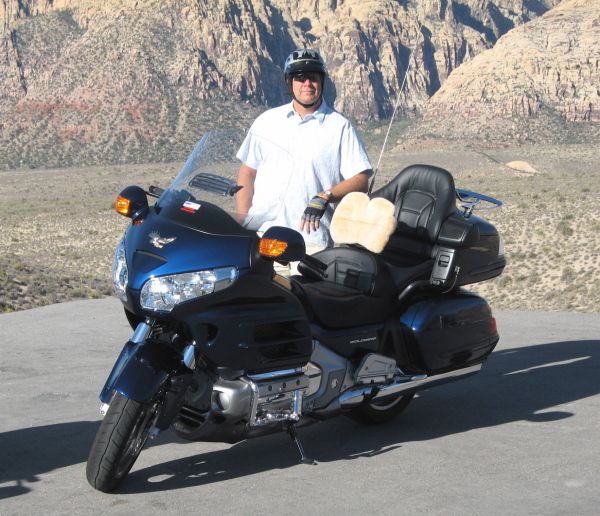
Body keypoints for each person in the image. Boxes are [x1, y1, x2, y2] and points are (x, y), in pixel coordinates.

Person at [236, 49, 373, 270]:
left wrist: (325, 196)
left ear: (322, 81)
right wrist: (244, 221)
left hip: (311, 242)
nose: (307, 83)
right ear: (289, 82)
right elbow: (247, 172)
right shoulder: (266, 121)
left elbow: (360, 180)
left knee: (306, 293)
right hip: (265, 237)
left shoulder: (340, 127)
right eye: (300, 77)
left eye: (313, 77)